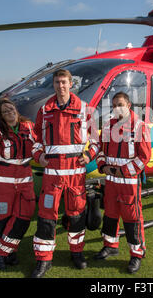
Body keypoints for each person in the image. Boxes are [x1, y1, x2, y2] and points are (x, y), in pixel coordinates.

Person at [30, 69, 99, 278]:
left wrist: (88, 156)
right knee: (46, 217)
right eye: (57, 82)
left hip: (76, 175)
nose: (60, 86)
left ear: (71, 84)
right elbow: (35, 141)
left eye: (64, 82)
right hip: (52, 175)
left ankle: (76, 254)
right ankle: (44, 260)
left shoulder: (85, 109)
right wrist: (39, 155)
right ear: (54, 85)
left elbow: (96, 140)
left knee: (76, 215)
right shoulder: (44, 110)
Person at [93, 92, 151, 274]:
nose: (117, 108)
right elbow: (101, 152)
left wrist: (123, 171)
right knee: (110, 215)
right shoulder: (108, 126)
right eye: (114, 105)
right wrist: (103, 166)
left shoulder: (140, 126)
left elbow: (144, 157)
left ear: (129, 105)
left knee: (132, 219)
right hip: (110, 182)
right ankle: (110, 245)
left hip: (129, 184)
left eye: (120, 104)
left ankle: (136, 254)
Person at [0, 98, 37, 271]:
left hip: (25, 182)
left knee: (23, 218)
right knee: (2, 220)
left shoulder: (29, 128)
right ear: (1, 116)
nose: (9, 113)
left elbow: (39, 146)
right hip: (3, 184)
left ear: (16, 110)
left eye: (11, 109)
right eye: (5, 112)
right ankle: (10, 254)